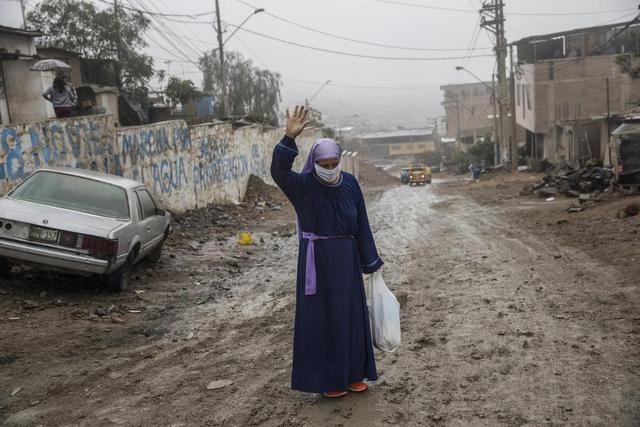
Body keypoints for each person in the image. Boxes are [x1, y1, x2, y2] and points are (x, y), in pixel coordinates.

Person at [270, 105, 383, 398]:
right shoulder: (303, 186)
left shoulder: (351, 184)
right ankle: (329, 380)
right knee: (323, 320)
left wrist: (370, 261)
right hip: (316, 262)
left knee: (351, 317)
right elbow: (278, 172)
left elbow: (362, 224)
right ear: (315, 162)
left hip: (346, 260)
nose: (331, 169)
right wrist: (288, 138)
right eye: (325, 164)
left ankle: (354, 375)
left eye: (335, 163)